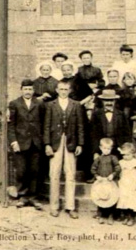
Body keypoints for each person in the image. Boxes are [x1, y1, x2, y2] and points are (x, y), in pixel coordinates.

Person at [44, 80, 84, 218]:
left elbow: (80, 126)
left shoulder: (76, 105)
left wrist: (80, 144)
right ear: (56, 90)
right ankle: (54, 206)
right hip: (55, 142)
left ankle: (70, 206)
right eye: (61, 89)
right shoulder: (50, 105)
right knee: (54, 174)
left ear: (70, 90)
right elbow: (46, 126)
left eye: (66, 89)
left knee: (70, 174)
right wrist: (47, 144)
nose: (63, 91)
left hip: (71, 141)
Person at [8, 79, 44, 209]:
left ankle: (34, 197)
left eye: (30, 89)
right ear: (21, 90)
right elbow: (11, 125)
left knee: (35, 170)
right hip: (21, 143)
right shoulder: (14, 104)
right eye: (25, 89)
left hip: (36, 143)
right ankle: (22, 196)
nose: (28, 92)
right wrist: (13, 142)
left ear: (33, 91)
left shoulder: (39, 104)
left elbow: (43, 123)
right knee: (21, 171)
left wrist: (42, 142)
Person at [91, 138, 121, 224]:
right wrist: (97, 176)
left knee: (111, 197)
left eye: (108, 148)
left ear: (111, 148)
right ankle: (101, 215)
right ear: (100, 148)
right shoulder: (99, 159)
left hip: (111, 182)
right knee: (101, 196)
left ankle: (111, 215)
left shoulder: (113, 158)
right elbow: (93, 169)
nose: (106, 150)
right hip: (101, 182)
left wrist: (113, 175)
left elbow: (118, 168)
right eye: (104, 148)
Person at [116, 142, 136, 226]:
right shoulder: (121, 162)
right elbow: (119, 173)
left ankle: (131, 217)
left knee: (132, 201)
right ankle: (126, 216)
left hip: (132, 184)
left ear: (133, 154)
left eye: (128, 155)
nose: (125, 157)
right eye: (124, 155)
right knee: (124, 199)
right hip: (124, 183)